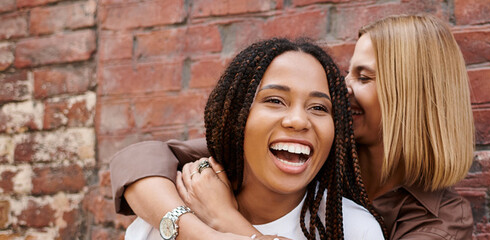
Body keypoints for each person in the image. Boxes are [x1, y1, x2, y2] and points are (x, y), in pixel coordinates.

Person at [111, 14, 475, 240]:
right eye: (347, 72)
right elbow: (141, 161)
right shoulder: (307, 150)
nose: (343, 88)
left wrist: (227, 221)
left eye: (363, 77)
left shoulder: (438, 222)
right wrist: (194, 231)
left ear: (412, 97)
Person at [117, 38, 384, 240]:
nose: (299, 121)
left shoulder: (354, 229)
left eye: (318, 107)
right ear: (236, 117)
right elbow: (136, 158)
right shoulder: (169, 210)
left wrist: (227, 223)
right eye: (275, 100)